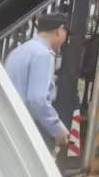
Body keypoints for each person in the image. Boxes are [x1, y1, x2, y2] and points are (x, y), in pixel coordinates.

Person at [4, 12, 69, 152]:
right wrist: (57, 128)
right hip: (30, 129)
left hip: (9, 123)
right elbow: (37, 100)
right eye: (66, 33)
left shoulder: (18, 51)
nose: (65, 38)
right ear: (59, 30)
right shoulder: (43, 54)